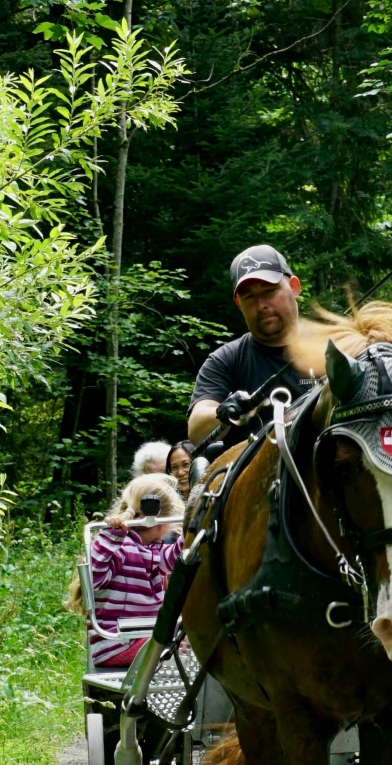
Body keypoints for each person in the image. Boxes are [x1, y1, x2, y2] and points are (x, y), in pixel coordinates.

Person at [188, 244, 315, 443]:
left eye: (269, 291)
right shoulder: (226, 360)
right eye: (249, 297)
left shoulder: (332, 347)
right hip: (250, 470)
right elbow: (196, 430)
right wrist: (224, 412)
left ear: (294, 287)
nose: (261, 305)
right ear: (238, 303)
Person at [75, 473, 186, 668]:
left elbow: (171, 560)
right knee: (188, 647)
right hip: (116, 644)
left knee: (191, 640)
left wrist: (190, 535)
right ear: (161, 523)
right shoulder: (119, 548)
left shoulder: (150, 548)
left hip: (141, 636)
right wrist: (111, 536)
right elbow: (93, 578)